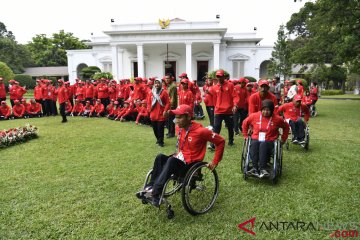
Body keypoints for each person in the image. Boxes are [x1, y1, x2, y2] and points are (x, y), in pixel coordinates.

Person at [136, 104, 225, 207]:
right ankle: (149, 188)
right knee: (160, 157)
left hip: (191, 166)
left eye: (179, 117)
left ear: (188, 117)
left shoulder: (201, 131)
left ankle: (156, 192)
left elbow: (221, 141)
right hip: (179, 160)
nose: (176, 120)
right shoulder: (179, 128)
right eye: (176, 117)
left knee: (171, 161)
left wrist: (215, 162)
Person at [242, 99, 289, 178]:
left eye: (268, 110)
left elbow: (286, 127)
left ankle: (263, 169)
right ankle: (254, 168)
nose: (265, 112)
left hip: (270, 141)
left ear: (272, 110)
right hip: (256, 139)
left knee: (263, 144)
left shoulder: (277, 119)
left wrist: (283, 138)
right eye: (264, 110)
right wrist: (245, 136)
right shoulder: (254, 116)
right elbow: (244, 123)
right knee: (254, 144)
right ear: (261, 109)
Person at [209, 69, 238, 149]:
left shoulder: (230, 85)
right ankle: (213, 144)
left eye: (220, 76)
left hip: (228, 111)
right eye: (217, 76)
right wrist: (215, 106)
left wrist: (235, 105)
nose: (219, 78)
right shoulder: (215, 87)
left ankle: (231, 141)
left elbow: (235, 96)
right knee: (216, 128)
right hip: (218, 111)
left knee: (230, 127)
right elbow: (214, 98)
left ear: (224, 77)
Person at [147, 79, 170, 147]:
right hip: (153, 114)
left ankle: (161, 141)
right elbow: (148, 102)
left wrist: (165, 110)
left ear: (161, 84)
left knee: (160, 129)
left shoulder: (164, 92)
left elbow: (168, 103)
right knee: (155, 129)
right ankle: (158, 139)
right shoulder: (151, 92)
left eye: (158, 83)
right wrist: (149, 109)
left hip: (161, 114)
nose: (157, 84)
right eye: (155, 83)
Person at [164, 73, 178, 138]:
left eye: (168, 78)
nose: (166, 80)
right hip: (169, 105)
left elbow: (172, 98)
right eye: (165, 78)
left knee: (171, 119)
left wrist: (170, 107)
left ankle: (171, 133)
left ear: (171, 78)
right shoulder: (169, 86)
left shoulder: (173, 86)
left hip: (172, 107)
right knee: (169, 119)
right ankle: (169, 132)